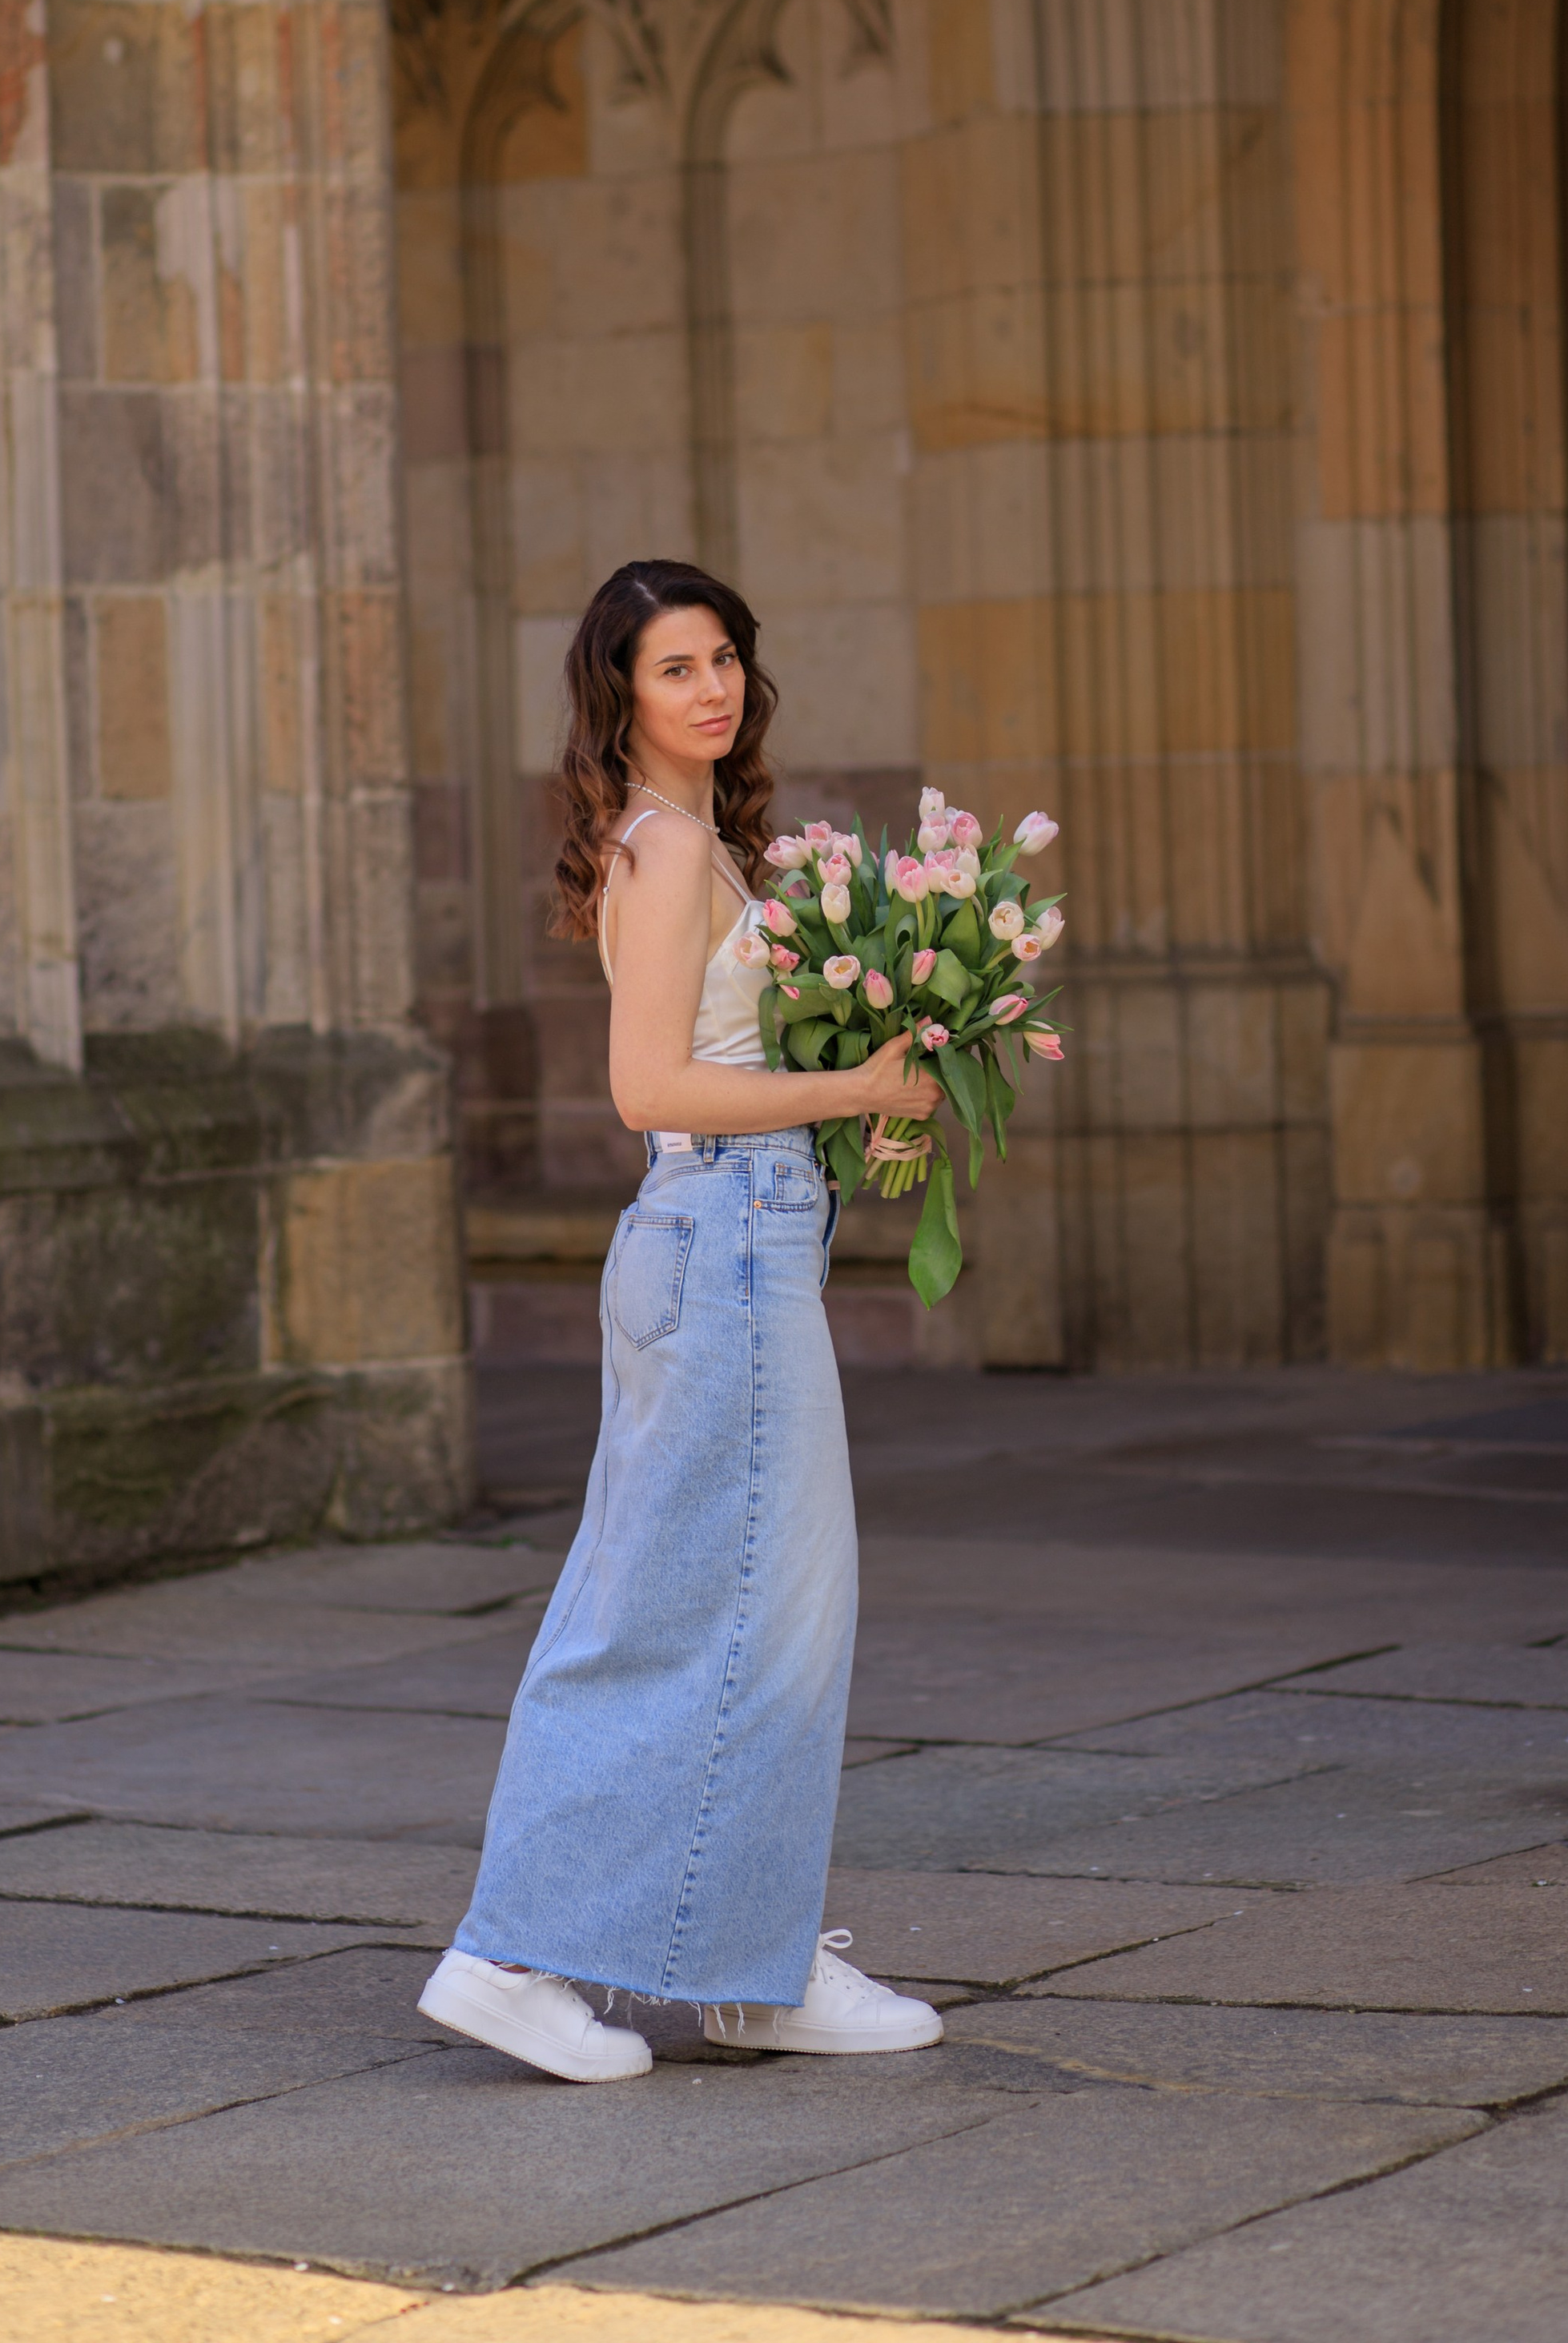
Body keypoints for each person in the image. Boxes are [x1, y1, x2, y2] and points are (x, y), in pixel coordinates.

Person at [420, 557, 943, 2082]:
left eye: (722, 660)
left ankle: (744, 1967)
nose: (709, 689)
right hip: (721, 1243)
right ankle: (510, 1958)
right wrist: (853, 1085)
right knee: (682, 1618)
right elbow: (647, 1086)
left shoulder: (697, 842)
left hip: (729, 1238)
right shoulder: (660, 850)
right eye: (673, 668)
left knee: (759, 1616)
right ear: (621, 696)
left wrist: (856, 1104)